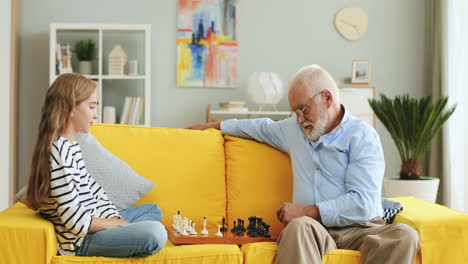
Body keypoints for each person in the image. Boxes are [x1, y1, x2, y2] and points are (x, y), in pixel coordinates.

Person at [186, 65, 420, 264]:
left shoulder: (362, 136)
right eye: (294, 112)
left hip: (361, 228)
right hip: (312, 230)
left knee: (404, 235)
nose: (298, 119)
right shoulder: (293, 129)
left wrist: (308, 210)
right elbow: (257, 126)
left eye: (303, 110)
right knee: (298, 227)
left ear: (327, 98)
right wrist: (212, 127)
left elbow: (363, 202)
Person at [25, 73, 167, 257]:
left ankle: (124, 238)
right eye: (91, 107)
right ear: (71, 107)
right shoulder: (58, 152)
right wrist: (122, 225)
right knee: (155, 233)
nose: (96, 114)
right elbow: (75, 222)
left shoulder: (72, 145)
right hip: (82, 239)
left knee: (153, 210)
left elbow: (96, 194)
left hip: (99, 223)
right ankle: (126, 239)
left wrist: (114, 219)